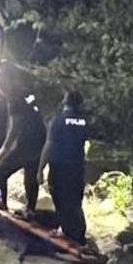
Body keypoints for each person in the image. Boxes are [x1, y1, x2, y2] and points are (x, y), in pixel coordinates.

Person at [0, 70, 46, 215]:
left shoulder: (13, 99)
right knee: (30, 179)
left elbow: (15, 126)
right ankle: (31, 209)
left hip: (25, 145)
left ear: (2, 84)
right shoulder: (27, 93)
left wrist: (4, 148)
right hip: (40, 141)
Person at [39, 91, 89, 244]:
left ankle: (67, 233)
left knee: (60, 199)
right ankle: (79, 233)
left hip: (59, 166)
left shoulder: (58, 120)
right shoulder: (84, 121)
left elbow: (49, 145)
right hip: (77, 167)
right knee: (75, 200)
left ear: (65, 102)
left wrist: (40, 169)